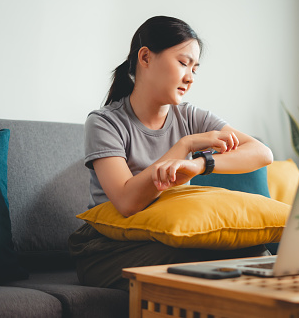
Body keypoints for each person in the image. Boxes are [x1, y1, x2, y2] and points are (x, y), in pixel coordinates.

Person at [68, 16, 273, 291]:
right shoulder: (104, 123)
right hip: (108, 250)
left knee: (257, 255)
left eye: (195, 69)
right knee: (189, 262)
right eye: (182, 62)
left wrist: (202, 164)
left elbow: (261, 153)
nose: (189, 77)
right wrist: (184, 146)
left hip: (173, 239)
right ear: (145, 57)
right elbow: (128, 202)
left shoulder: (190, 116)